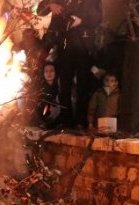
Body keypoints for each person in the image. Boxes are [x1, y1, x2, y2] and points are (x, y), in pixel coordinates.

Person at [38, 0, 102, 128]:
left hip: (84, 47)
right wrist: (51, 5)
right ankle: (65, 119)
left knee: (83, 85)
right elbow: (40, 10)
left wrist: (81, 20)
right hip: (64, 46)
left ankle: (80, 120)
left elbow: (97, 18)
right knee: (64, 85)